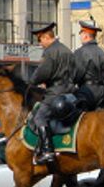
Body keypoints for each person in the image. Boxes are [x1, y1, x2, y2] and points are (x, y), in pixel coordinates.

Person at [30, 22, 75, 165]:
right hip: (71, 93)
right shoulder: (67, 50)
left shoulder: (50, 52)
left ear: (45, 37)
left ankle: (48, 151)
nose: (40, 43)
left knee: (39, 118)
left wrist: (32, 81)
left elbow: (42, 72)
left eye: (40, 39)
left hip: (55, 93)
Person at [72, 18, 104, 111]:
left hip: (86, 93)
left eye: (81, 34)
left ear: (85, 36)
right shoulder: (102, 52)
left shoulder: (80, 52)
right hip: (103, 92)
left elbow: (74, 75)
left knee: (68, 116)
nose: (80, 36)